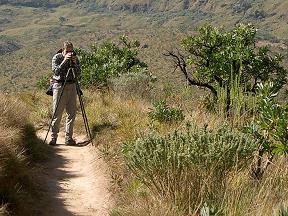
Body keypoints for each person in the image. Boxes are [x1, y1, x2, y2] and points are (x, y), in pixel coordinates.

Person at [49, 41, 81, 146]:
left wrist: (75, 63)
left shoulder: (75, 58)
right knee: (57, 112)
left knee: (71, 113)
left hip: (72, 86)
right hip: (59, 85)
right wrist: (64, 62)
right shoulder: (57, 57)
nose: (70, 53)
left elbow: (78, 73)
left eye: (71, 51)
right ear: (63, 49)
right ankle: (53, 138)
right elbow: (56, 71)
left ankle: (68, 138)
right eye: (67, 51)